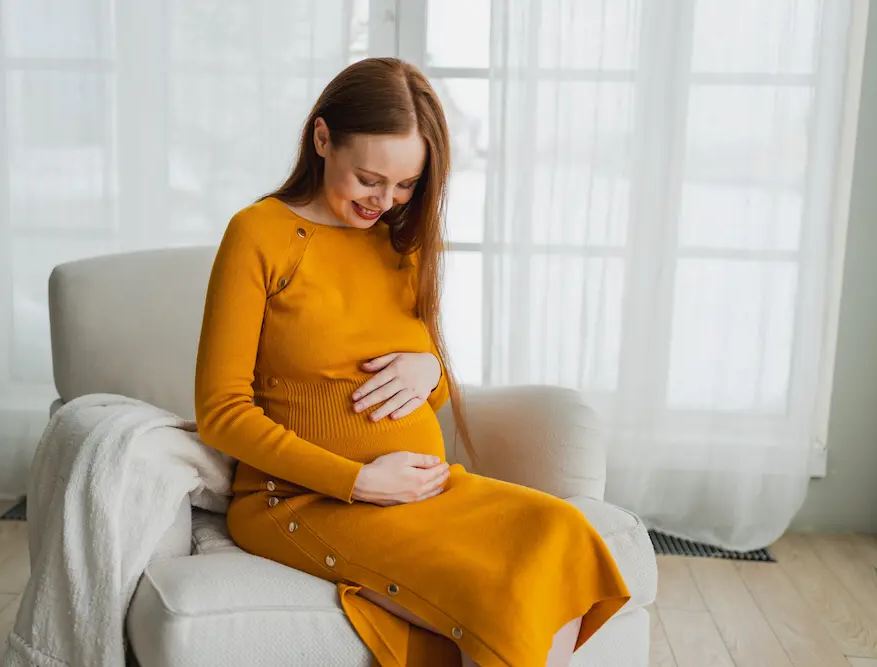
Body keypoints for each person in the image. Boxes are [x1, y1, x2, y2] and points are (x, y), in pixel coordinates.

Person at [195, 57, 629, 667]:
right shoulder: (258, 234)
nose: (385, 200)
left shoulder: (403, 240)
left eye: (406, 185)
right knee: (499, 593)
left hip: (421, 490)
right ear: (322, 139)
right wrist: (357, 482)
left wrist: (431, 370)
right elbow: (221, 412)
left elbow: (431, 390)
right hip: (295, 498)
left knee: (563, 534)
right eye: (369, 179)